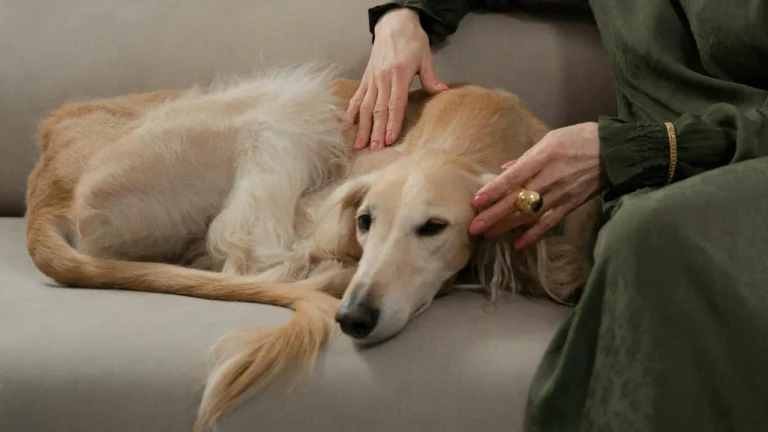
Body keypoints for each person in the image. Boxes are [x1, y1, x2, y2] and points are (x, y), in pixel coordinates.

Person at [350, 1, 768, 431]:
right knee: (639, 231)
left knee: (650, 234)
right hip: (653, 189)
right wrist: (401, 16)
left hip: (735, 170)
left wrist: (636, 148)